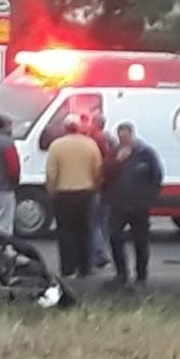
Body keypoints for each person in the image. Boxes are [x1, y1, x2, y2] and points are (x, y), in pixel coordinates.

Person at [102, 122, 163, 287]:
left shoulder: (146, 153)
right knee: (114, 236)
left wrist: (149, 199)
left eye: (126, 136)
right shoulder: (114, 153)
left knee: (141, 240)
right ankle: (121, 273)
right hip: (118, 204)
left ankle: (141, 275)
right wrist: (117, 161)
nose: (124, 140)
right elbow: (105, 174)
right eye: (121, 137)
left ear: (132, 135)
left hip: (139, 206)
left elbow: (156, 176)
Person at [46, 114, 102, 278]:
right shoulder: (90, 145)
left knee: (65, 233)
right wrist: (95, 187)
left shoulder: (56, 146)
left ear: (64, 128)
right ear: (79, 128)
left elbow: (51, 173)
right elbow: (98, 170)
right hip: (85, 193)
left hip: (63, 195)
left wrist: (52, 190)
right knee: (84, 231)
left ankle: (67, 268)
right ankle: (84, 268)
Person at [87, 112, 115, 269]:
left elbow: (96, 163)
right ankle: (102, 250)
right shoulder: (110, 138)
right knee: (103, 221)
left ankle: (99, 254)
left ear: (95, 123)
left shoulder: (95, 138)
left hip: (98, 184)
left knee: (94, 221)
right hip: (109, 186)